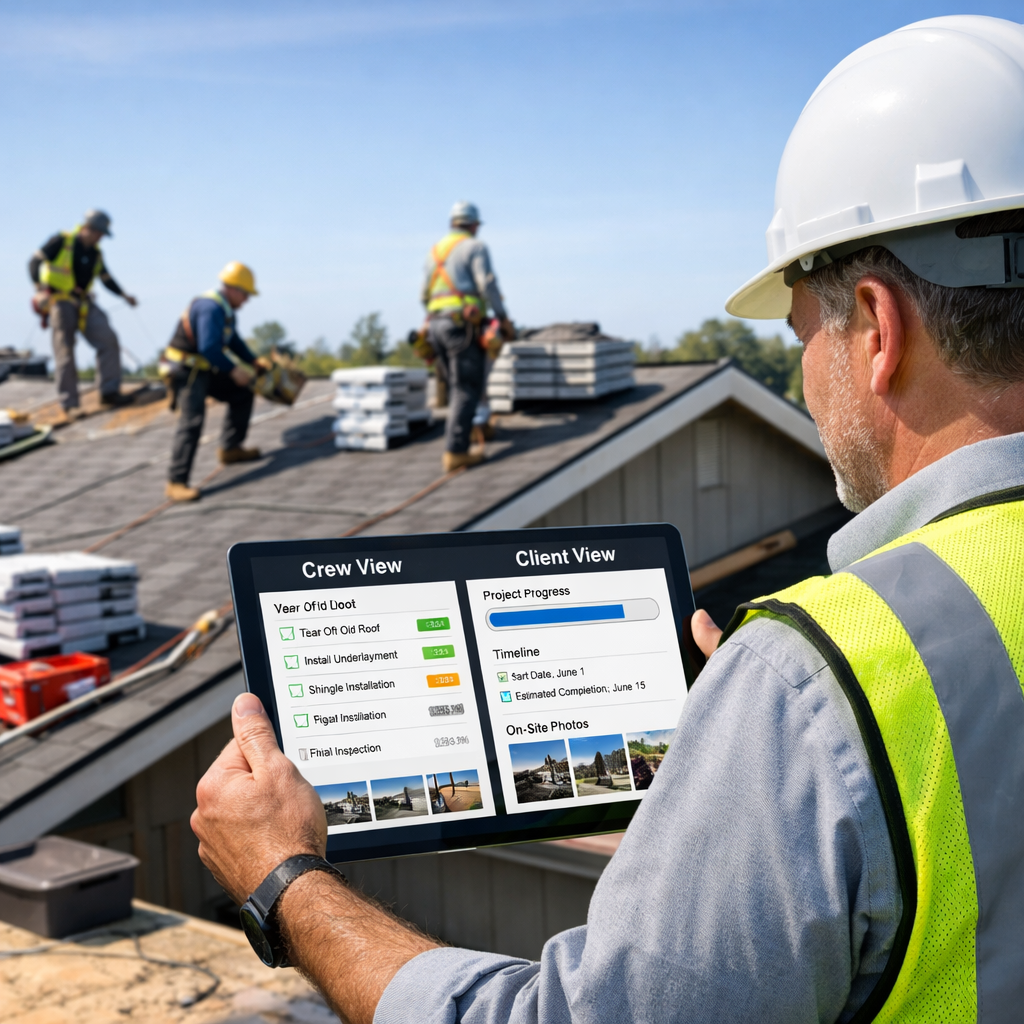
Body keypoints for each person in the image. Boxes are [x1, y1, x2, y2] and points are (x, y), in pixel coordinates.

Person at [192, 17, 1024, 1023]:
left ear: (877, 331)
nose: (806, 370)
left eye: (803, 329)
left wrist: (285, 880)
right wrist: (775, 768)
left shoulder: (822, 677)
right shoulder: (817, 693)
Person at [421, 201, 514, 471]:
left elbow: (423, 296)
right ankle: (456, 452)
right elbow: (487, 284)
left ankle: (476, 428)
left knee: (457, 387)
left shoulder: (435, 252)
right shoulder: (475, 247)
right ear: (473, 224)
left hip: (436, 326)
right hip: (461, 325)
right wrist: (503, 319)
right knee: (467, 388)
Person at [163, 262, 264, 503]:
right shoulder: (210, 308)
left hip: (204, 367)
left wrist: (253, 360)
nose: (247, 300)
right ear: (233, 289)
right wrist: (233, 370)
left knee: (242, 392)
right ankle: (176, 482)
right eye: (246, 294)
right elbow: (209, 346)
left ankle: (230, 449)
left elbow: (231, 340)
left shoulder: (225, 309)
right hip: (186, 370)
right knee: (192, 422)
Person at [28, 209, 139, 419]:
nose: (101, 238)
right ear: (89, 229)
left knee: (108, 339)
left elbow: (106, 279)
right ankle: (69, 404)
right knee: (65, 351)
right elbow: (34, 262)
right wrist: (39, 290)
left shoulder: (95, 253)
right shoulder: (62, 241)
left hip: (84, 303)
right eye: (99, 233)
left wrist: (125, 296)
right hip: (59, 301)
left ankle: (109, 392)